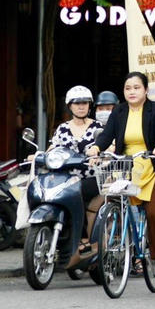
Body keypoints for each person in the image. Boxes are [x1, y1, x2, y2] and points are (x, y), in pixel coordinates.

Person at [92, 72, 155, 285]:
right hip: (127, 168)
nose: (132, 92)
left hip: (154, 166)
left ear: (146, 90)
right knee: (111, 201)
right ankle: (125, 246)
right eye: (128, 88)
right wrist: (95, 147)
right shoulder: (119, 111)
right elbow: (106, 134)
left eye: (136, 87)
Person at [50, 86, 101, 252]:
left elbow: (110, 146)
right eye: (77, 103)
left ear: (90, 105)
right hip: (65, 177)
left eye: (85, 103)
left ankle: (83, 237)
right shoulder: (62, 128)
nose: (81, 106)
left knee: (76, 192)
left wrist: (100, 155)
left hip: (91, 178)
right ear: (69, 106)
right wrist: (39, 155)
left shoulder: (98, 128)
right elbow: (53, 148)